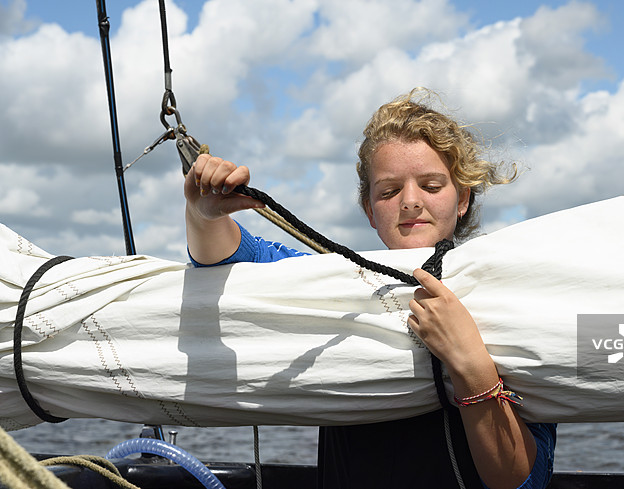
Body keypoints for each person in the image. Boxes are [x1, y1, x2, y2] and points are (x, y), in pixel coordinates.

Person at [184, 88, 556, 489]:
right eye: (389, 191)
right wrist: (203, 215)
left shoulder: (510, 298)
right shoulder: (336, 286)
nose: (411, 201)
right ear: (369, 211)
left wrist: (471, 364)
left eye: (431, 185)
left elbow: (522, 481)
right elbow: (234, 259)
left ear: (462, 198)